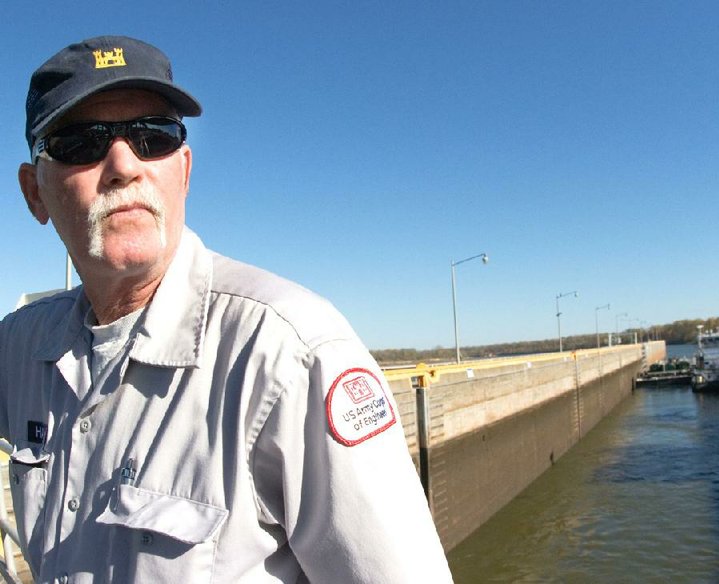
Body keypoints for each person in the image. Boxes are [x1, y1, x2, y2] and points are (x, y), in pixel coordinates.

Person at [1, 35, 453, 583]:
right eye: (80, 143)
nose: (123, 163)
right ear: (34, 194)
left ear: (183, 171)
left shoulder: (291, 354)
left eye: (153, 136)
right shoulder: (20, 347)